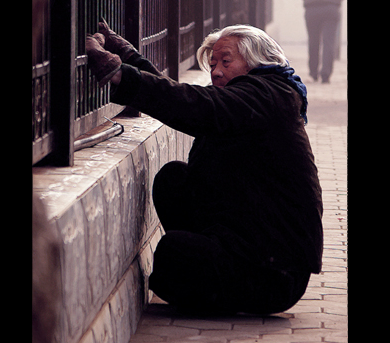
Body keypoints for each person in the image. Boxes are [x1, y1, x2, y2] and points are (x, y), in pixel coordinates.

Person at [86, 22, 323, 315]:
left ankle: (209, 280)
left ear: (256, 61)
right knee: (175, 181)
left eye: (226, 61)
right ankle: (207, 269)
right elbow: (184, 98)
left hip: (275, 273)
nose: (217, 71)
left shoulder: (267, 96)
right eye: (212, 64)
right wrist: (129, 58)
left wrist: (120, 74)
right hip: (251, 246)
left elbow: (195, 106)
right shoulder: (259, 93)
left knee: (174, 254)